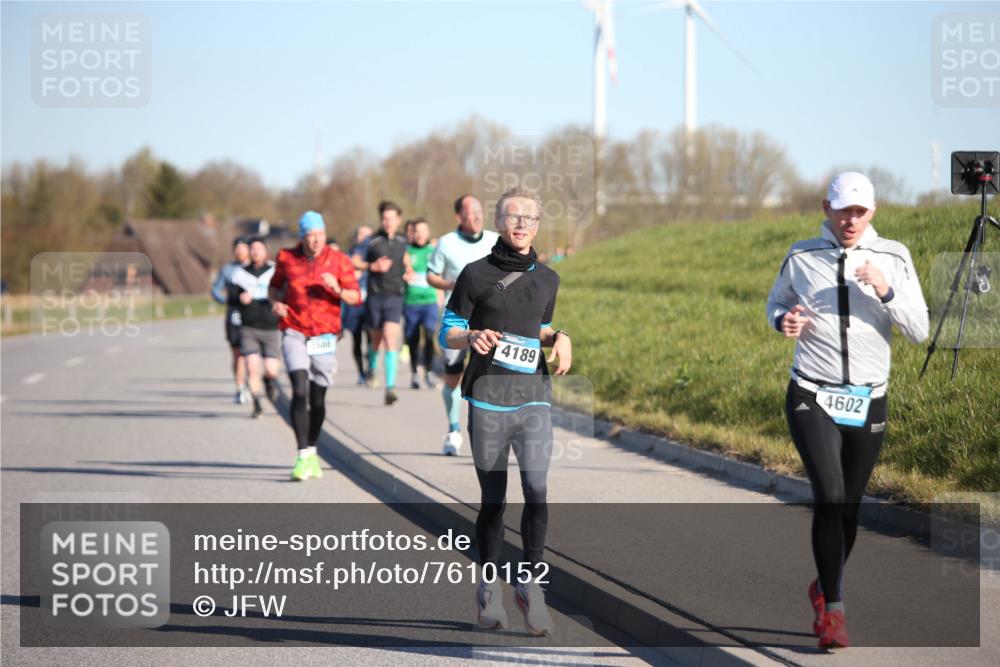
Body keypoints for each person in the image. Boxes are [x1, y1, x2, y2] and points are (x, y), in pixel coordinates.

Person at [766, 171, 928, 649]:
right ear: (826, 208)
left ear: (872, 211)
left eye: (859, 211)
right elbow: (775, 303)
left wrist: (887, 291)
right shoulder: (802, 255)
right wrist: (784, 320)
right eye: (842, 210)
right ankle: (833, 612)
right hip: (811, 395)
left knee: (850, 508)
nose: (850, 220)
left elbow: (920, 329)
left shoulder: (893, 256)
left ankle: (824, 585)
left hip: (868, 398)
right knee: (831, 495)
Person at [440, 186, 572, 636]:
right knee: (494, 498)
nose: (522, 225)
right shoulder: (474, 275)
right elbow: (449, 331)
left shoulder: (549, 278)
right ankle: (490, 586)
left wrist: (561, 338)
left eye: (530, 218)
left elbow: (542, 326)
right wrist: (469, 337)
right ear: (499, 222)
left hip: (533, 396)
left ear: (538, 224)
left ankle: (530, 587)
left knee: (536, 487)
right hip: (488, 399)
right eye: (513, 217)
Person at [269, 211, 361, 481]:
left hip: (324, 335)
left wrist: (338, 290)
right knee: (299, 390)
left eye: (319, 235)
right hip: (294, 328)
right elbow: (274, 287)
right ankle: (302, 456)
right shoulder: (286, 257)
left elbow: (355, 297)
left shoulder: (339, 260)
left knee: (318, 399)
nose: (315, 240)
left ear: (324, 234)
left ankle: (312, 448)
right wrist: (275, 302)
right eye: (310, 236)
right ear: (302, 237)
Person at [427, 195, 500, 455]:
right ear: (459, 216)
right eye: (470, 213)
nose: (477, 217)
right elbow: (431, 275)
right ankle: (454, 428)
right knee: (453, 376)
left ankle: (488, 430)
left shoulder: (495, 240)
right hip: (457, 319)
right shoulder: (446, 243)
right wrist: (450, 285)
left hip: (489, 318)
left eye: (479, 211)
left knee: (489, 375)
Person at [353, 201, 411, 406]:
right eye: (385, 219)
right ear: (381, 220)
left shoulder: (403, 241)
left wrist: (409, 271)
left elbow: (406, 260)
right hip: (375, 297)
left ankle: (390, 388)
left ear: (398, 220)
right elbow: (355, 261)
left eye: (392, 218)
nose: (388, 222)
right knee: (375, 340)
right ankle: (371, 368)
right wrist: (372, 266)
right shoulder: (372, 241)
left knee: (390, 339)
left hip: (395, 296)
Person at [231, 236, 281, 418]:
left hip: (271, 326)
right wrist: (239, 298)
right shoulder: (240, 274)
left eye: (258, 248)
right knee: (252, 368)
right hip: (249, 326)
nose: (255, 252)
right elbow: (231, 299)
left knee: (271, 369)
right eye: (252, 249)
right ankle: (257, 404)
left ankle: (269, 381)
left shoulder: (275, 271)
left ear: (266, 251)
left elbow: (284, 292)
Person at [211, 236, 251, 404]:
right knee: (238, 354)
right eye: (236, 249)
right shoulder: (228, 270)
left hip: (253, 314)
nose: (239, 252)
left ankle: (254, 381)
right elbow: (216, 290)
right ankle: (240, 386)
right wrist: (227, 300)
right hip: (234, 314)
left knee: (252, 354)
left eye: (242, 248)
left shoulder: (256, 269)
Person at [404, 218, 440, 390]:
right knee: (413, 339)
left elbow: (441, 273)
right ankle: (413, 373)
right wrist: (404, 275)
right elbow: (400, 273)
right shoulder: (406, 251)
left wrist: (440, 295)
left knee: (429, 334)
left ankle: (430, 371)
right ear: (413, 233)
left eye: (423, 231)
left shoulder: (433, 250)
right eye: (417, 231)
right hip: (411, 301)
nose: (420, 234)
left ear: (428, 232)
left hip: (429, 301)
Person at [344, 226, 374, 385]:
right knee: (356, 341)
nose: (364, 237)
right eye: (361, 233)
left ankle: (370, 368)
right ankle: (361, 372)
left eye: (368, 235)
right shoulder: (347, 256)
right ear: (355, 237)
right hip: (353, 305)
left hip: (370, 304)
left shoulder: (373, 257)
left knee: (371, 339)